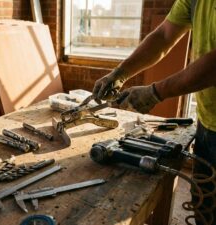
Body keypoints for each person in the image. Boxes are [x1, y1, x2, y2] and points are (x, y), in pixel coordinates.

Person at [92, 0, 216, 224]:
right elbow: (164, 36)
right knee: (205, 207)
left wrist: (155, 92)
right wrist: (120, 73)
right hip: (208, 122)